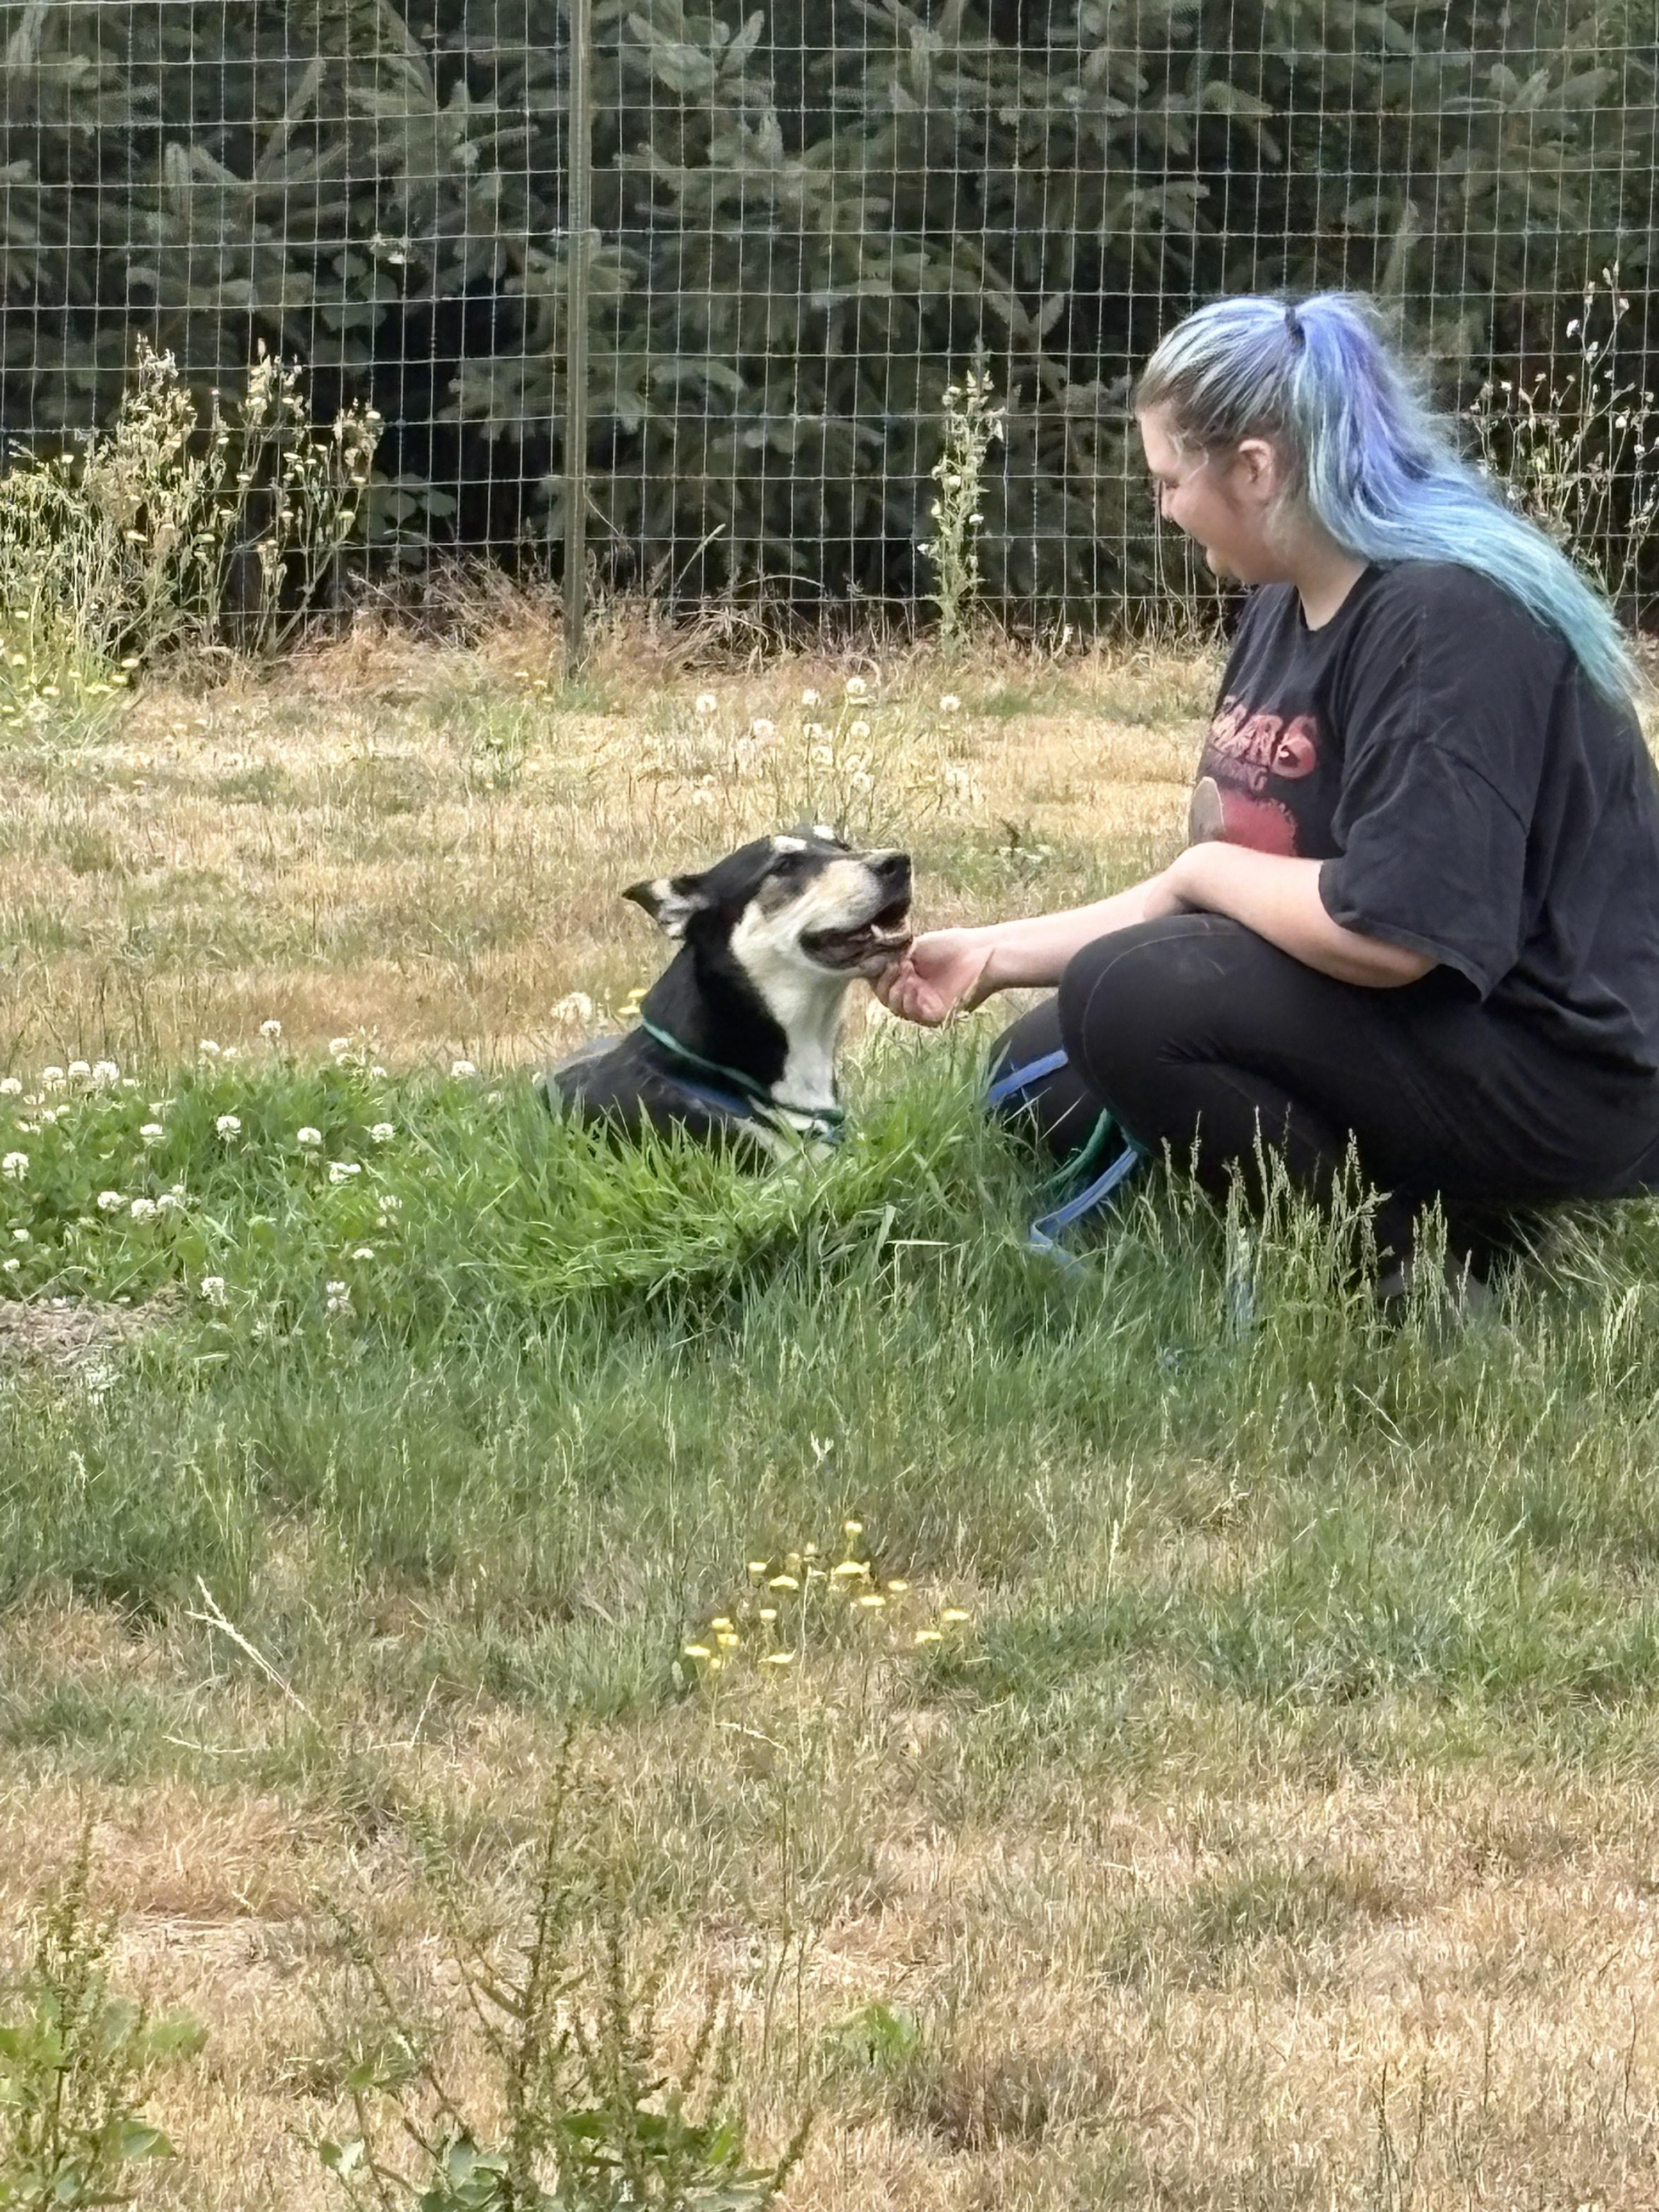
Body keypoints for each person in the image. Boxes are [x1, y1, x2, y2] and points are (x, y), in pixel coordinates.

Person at [876, 290, 1659, 1295]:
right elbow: (1215, 897)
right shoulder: (1286, 598)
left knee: (1128, 1005)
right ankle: (1402, 1192)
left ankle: (1405, 1269)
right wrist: (994, 953)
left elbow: (1390, 935)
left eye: (1169, 480)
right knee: (1043, 1072)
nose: (1161, 508)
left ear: (1255, 467)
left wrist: (1206, 872)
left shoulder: (1446, 621)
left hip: (1557, 1071)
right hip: (1434, 1018)